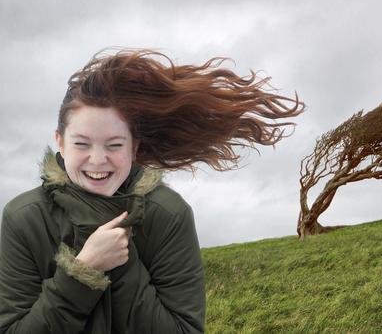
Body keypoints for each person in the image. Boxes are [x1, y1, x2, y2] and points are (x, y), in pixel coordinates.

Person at [0, 48, 305, 333]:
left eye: (114, 145)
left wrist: (121, 261)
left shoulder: (169, 214)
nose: (97, 159)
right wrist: (83, 272)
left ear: (135, 147)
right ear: (60, 141)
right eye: (81, 143)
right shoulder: (23, 218)